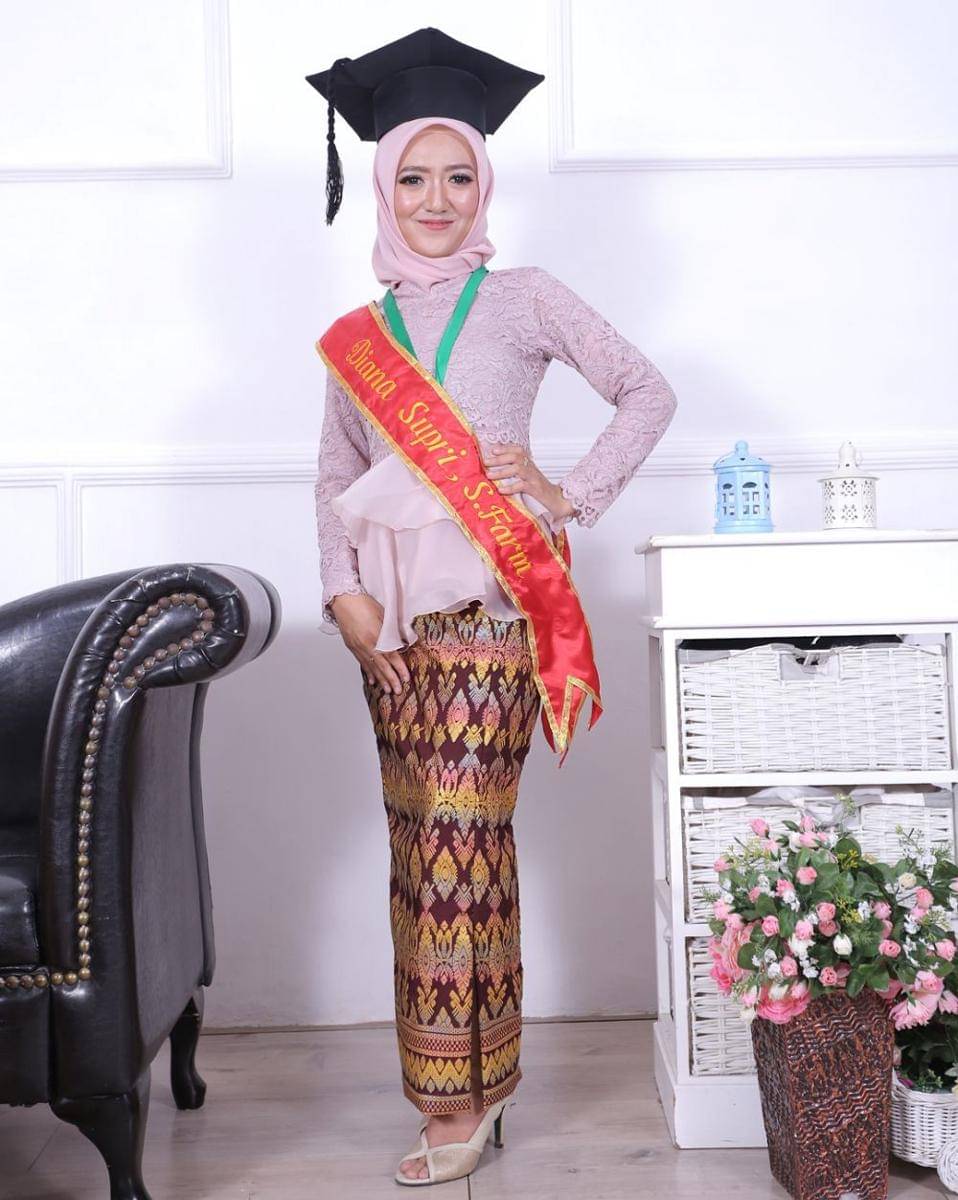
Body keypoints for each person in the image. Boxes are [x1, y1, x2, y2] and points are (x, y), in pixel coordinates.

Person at [308, 28, 678, 1187]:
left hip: (495, 620)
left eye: (457, 176)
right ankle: (460, 1083)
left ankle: (458, 1105)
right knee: (419, 849)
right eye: (413, 178)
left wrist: (572, 493)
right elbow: (332, 476)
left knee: (462, 843)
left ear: (486, 184)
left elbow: (645, 390)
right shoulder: (359, 339)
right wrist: (341, 595)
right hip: (393, 635)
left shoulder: (522, 299)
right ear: (382, 184)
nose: (435, 200)